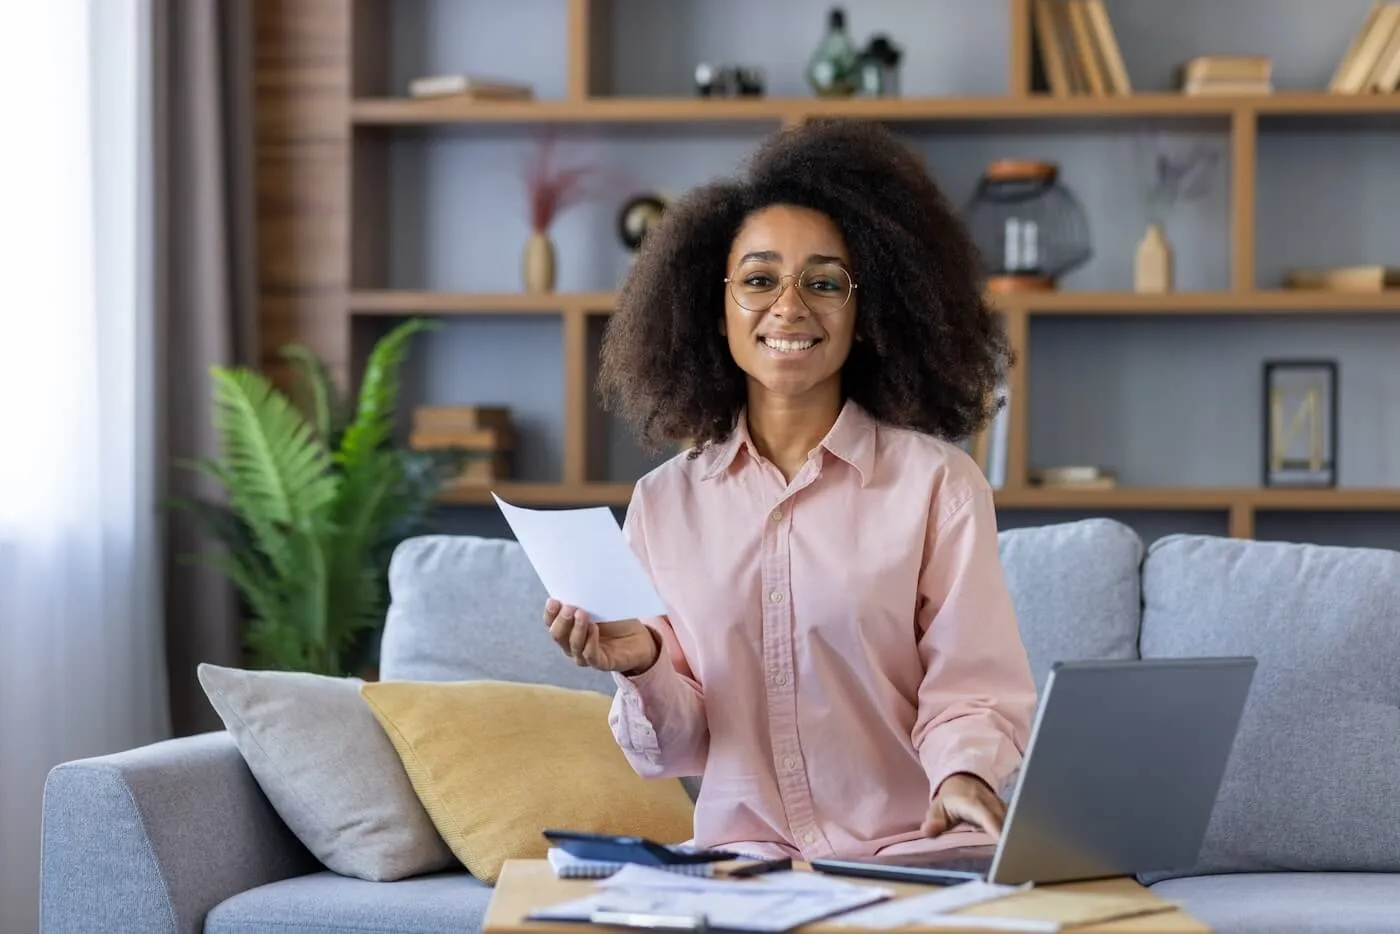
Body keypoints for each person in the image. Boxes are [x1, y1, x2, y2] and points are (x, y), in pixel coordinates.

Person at [542, 118, 1038, 862]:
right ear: (717, 310)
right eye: (759, 279)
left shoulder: (940, 487)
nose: (790, 306)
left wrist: (964, 776)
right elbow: (675, 749)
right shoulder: (662, 505)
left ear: (867, 313)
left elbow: (971, 686)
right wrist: (641, 660)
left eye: (825, 282)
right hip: (746, 873)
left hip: (908, 860)